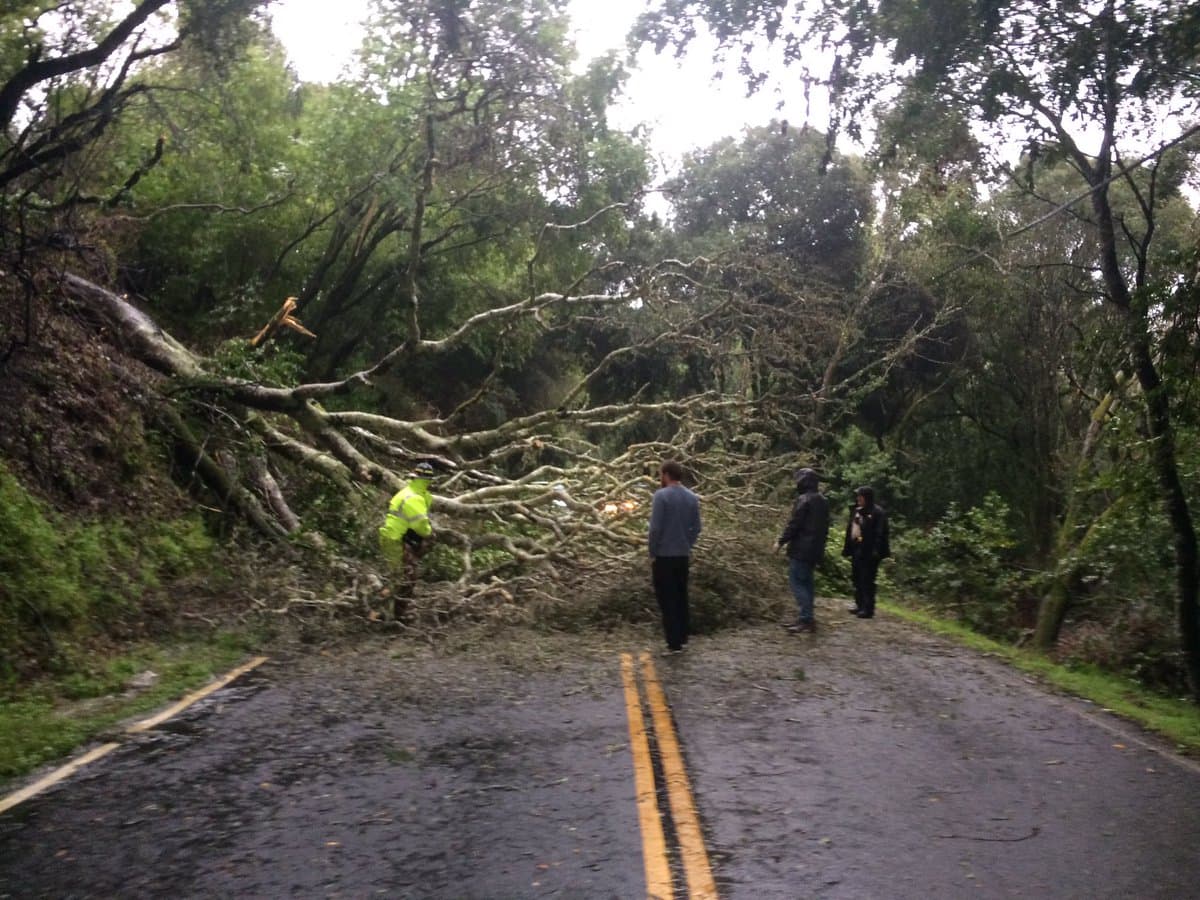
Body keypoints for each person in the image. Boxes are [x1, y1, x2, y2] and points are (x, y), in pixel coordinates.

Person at [648, 459, 702, 655]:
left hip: (664, 555)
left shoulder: (661, 496)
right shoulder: (692, 497)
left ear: (666, 474)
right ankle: (683, 637)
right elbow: (697, 528)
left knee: (667, 598)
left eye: (660, 474)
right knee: (681, 596)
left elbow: (655, 528)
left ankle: (674, 643)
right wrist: (687, 543)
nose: (659, 478)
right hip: (682, 555)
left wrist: (652, 552)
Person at [379, 460, 436, 617]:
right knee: (406, 578)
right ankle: (389, 613)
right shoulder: (413, 498)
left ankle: (386, 611)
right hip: (396, 540)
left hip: (393, 538)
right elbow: (421, 526)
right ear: (428, 480)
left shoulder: (410, 492)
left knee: (400, 577)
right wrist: (429, 534)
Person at [776, 467, 830, 634]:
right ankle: (807, 619)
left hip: (801, 549)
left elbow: (795, 524)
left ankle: (806, 619)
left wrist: (780, 541)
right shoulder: (822, 500)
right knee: (807, 584)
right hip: (815, 549)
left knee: (797, 583)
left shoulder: (804, 499)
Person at [842, 485, 890, 619]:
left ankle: (868, 608)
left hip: (870, 551)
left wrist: (877, 550)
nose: (858, 499)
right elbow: (850, 529)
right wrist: (847, 548)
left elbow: (881, 533)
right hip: (857, 548)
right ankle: (859, 604)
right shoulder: (856, 510)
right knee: (856, 577)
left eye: (860, 496)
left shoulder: (878, 512)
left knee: (867, 579)